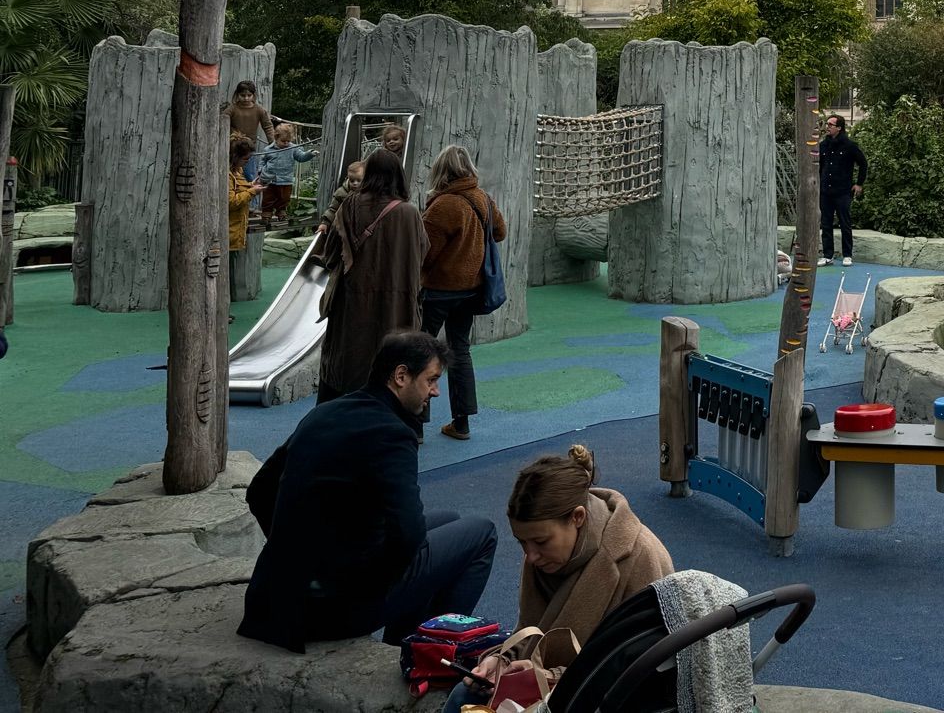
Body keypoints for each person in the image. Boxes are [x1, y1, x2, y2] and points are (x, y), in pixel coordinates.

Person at [240, 331, 497, 650]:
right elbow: (409, 534)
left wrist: (293, 550)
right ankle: (431, 649)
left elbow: (260, 491)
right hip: (334, 607)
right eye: (431, 380)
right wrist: (367, 576)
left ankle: (401, 641)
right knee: (482, 533)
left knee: (449, 518)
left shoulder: (326, 412)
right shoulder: (392, 433)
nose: (435, 391)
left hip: (277, 595)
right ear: (401, 376)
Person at [444, 444, 673, 711]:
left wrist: (551, 678)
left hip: (618, 695)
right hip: (555, 680)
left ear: (578, 517)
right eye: (522, 543)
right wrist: (502, 661)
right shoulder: (545, 551)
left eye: (540, 541)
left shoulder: (639, 556)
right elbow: (529, 629)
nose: (530, 556)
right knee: (464, 695)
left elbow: (636, 665)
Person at [316, 148, 427, 403]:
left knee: (345, 362)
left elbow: (331, 253)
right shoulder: (408, 214)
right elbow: (422, 253)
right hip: (396, 302)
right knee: (396, 363)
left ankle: (334, 418)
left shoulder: (349, 205)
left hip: (352, 300)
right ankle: (402, 423)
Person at [420, 145, 506, 441]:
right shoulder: (482, 198)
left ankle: (415, 423)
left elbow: (425, 253)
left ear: (441, 171)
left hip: (438, 290)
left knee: (423, 350)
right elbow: (500, 232)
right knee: (460, 351)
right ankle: (462, 422)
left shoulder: (443, 205)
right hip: (470, 291)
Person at [817, 113, 867, 267]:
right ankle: (827, 255)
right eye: (827, 124)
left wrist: (859, 183)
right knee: (826, 223)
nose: (827, 127)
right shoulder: (823, 145)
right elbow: (819, 165)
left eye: (831, 125)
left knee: (845, 223)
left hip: (843, 191)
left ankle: (847, 254)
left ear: (839, 127)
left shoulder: (849, 145)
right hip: (826, 191)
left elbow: (863, 163)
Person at [258, 121, 315, 229]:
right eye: (283, 141)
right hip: (270, 179)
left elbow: (301, 157)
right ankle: (266, 215)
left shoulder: (293, 148)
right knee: (268, 198)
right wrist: (260, 170)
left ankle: (281, 212)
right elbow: (262, 160)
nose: (286, 143)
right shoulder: (268, 149)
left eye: (288, 141)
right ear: (276, 138)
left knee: (284, 198)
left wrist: (310, 154)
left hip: (286, 179)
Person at [224, 80, 276, 179]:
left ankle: (252, 193)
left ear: (253, 95)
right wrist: (233, 134)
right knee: (231, 175)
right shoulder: (232, 109)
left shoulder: (259, 110)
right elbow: (222, 121)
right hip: (233, 149)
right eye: (243, 95)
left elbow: (268, 126)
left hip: (249, 150)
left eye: (249, 95)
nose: (246, 98)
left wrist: (272, 142)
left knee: (250, 176)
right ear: (237, 95)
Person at [228, 136, 266, 255]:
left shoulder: (238, 170)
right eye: (246, 158)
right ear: (235, 156)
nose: (248, 161)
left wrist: (250, 185)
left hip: (237, 231)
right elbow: (230, 202)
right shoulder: (227, 175)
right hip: (228, 234)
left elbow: (238, 189)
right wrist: (252, 191)